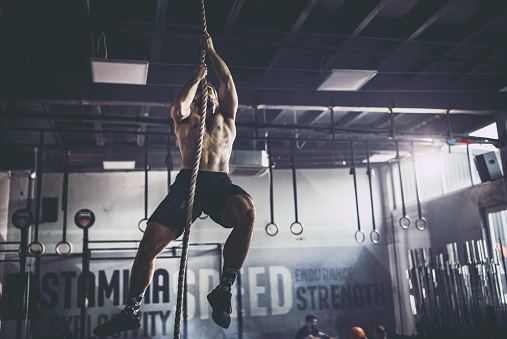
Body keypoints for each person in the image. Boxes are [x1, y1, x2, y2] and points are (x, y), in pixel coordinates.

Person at [93, 32, 256, 336]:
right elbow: (180, 103)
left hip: (219, 184)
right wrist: (197, 77)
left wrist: (211, 50)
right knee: (147, 249)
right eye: (200, 93)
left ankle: (224, 288)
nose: (206, 93)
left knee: (246, 212)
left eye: (211, 91)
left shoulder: (227, 118)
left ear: (217, 99)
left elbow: (228, 81)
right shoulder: (184, 120)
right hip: (187, 184)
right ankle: (131, 311)